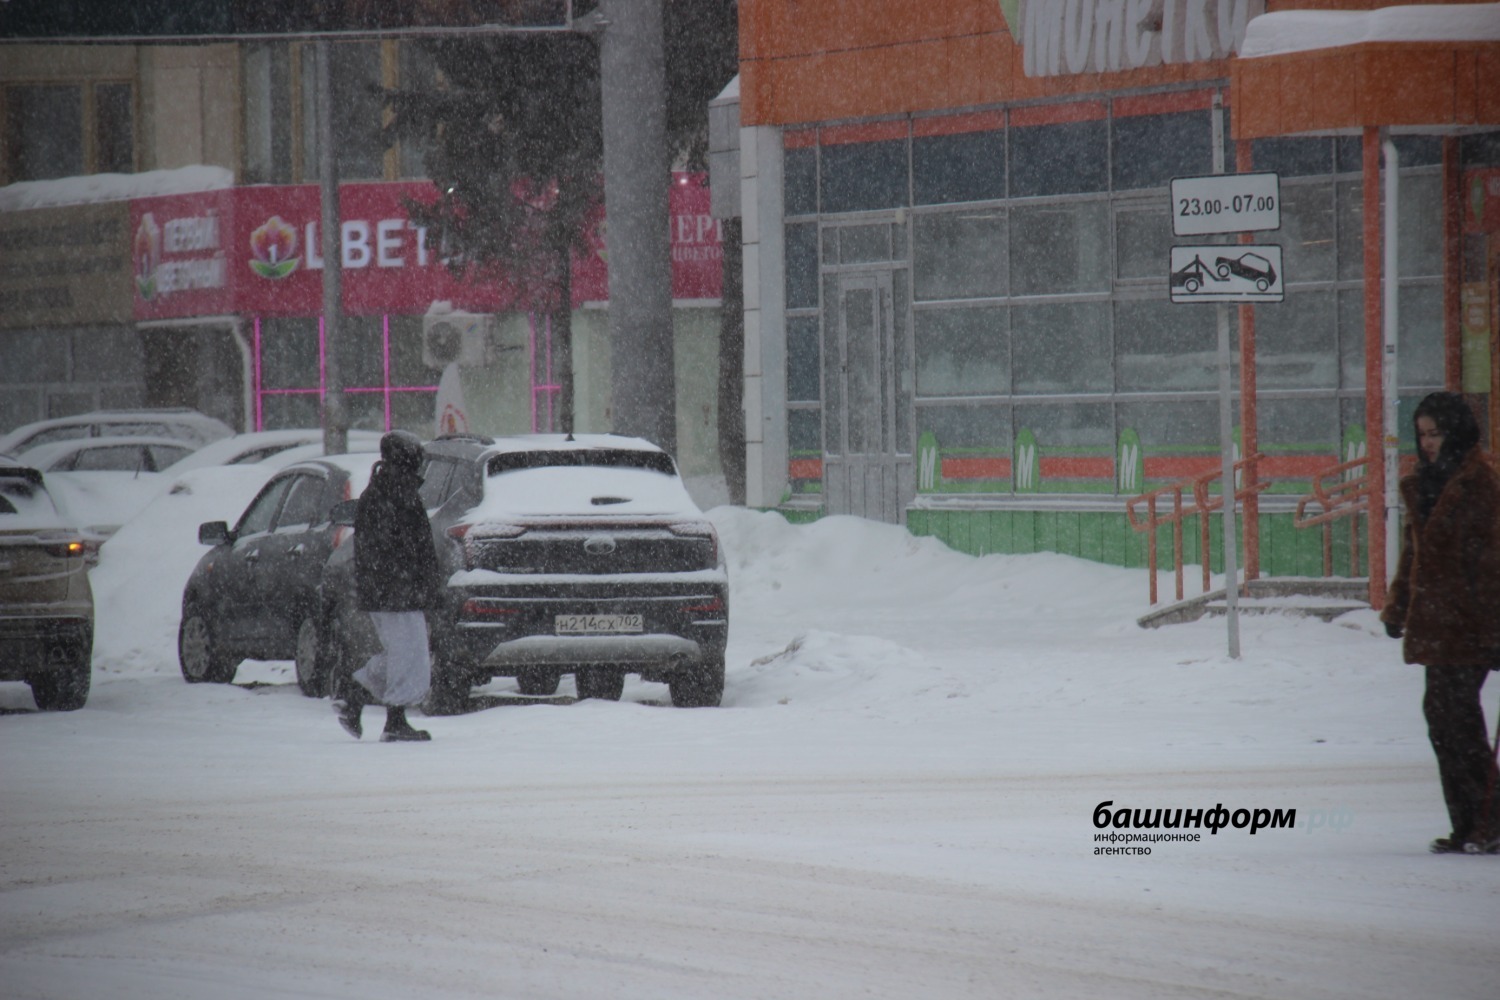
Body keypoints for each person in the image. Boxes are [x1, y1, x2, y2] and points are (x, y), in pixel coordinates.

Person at [1381, 392, 1500, 854]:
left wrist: (1494, 632)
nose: (1428, 443)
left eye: (1437, 433)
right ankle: (1472, 823)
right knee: (1445, 720)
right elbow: (1415, 553)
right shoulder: (1426, 483)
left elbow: (1491, 565)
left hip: (1470, 622)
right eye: (1423, 434)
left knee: (1456, 720)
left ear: (1457, 432)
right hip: (1437, 622)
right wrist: (1397, 609)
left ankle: (1485, 822)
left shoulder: (1479, 486)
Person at [335, 430, 440, 743]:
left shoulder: (385, 489)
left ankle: (352, 696)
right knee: (410, 655)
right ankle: (394, 719)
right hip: (396, 590)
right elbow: (402, 546)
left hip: (389, 588)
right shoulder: (394, 492)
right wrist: (415, 579)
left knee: (403, 653)